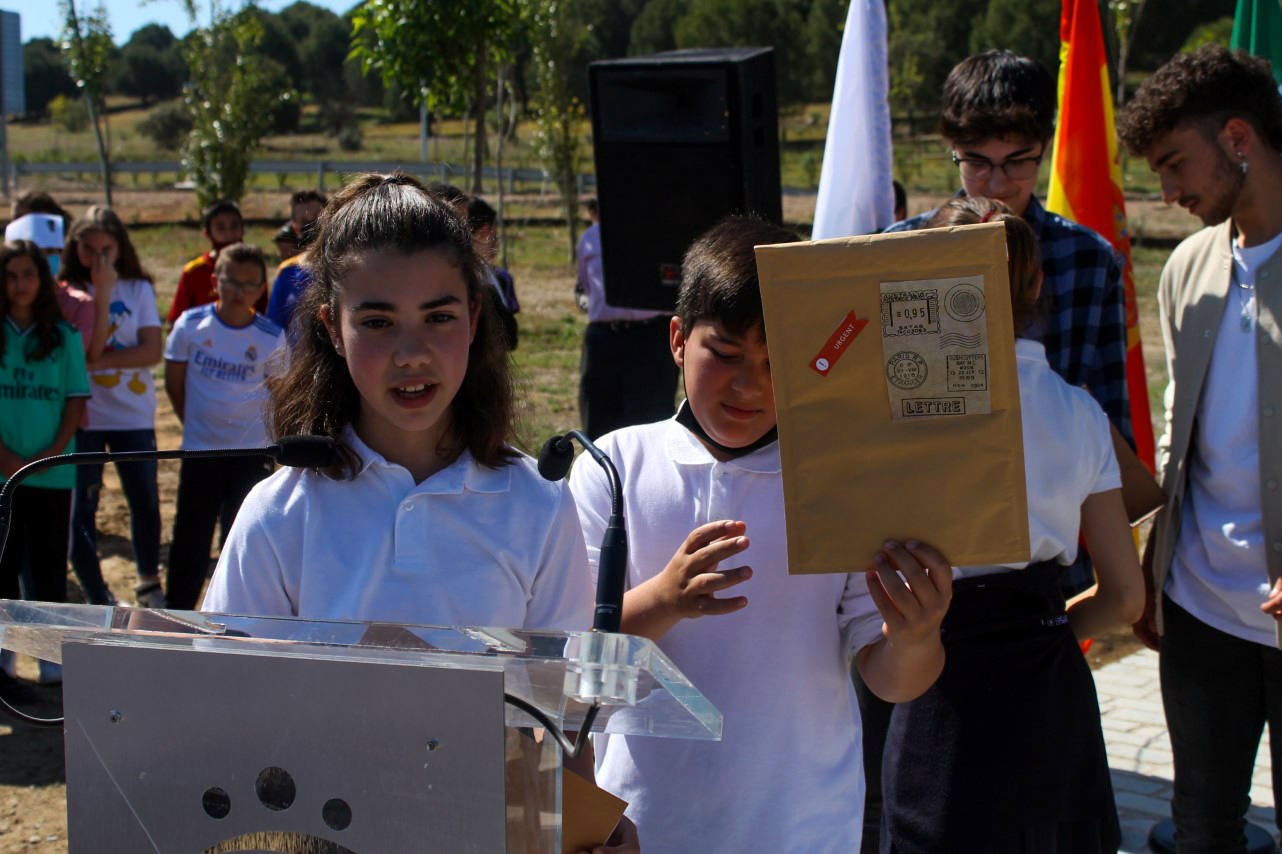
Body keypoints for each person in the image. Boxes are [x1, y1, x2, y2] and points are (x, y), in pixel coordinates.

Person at [201, 174, 637, 854]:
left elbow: (561, 716)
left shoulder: (537, 504)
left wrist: (579, 828)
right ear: (332, 329)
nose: (412, 352)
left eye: (439, 317)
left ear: (475, 315)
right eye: (376, 322)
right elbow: (228, 714)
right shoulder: (280, 513)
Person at [568, 216, 952, 853]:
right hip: (641, 824)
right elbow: (565, 655)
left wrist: (916, 632)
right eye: (725, 355)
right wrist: (663, 599)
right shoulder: (612, 469)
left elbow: (893, 678)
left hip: (801, 824)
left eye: (781, 362)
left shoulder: (841, 480)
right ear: (676, 340)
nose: (751, 385)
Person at [874, 196, 1144, 853]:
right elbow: (1126, 596)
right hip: (1050, 689)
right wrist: (1046, 630)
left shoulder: (893, 414)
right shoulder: (1079, 413)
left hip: (937, 686)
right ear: (1037, 286)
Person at [1118, 45, 1282, 851]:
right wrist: (1153, 567)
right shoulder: (1185, 267)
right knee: (1202, 828)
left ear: (1241, 138)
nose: (1169, 192)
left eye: (1176, 164)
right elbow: (1182, 438)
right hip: (1199, 611)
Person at [163, 243, 285, 610]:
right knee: (190, 539)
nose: (238, 292)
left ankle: (235, 620)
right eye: (230, 281)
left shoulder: (269, 336)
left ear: (261, 289)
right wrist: (196, 426)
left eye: (249, 285)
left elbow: (280, 395)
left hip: (250, 455)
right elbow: (174, 382)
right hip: (201, 451)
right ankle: (176, 615)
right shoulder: (190, 325)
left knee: (240, 539)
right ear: (216, 280)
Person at [62, 206, 165, 608]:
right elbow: (88, 347)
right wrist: (101, 292)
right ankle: (95, 592)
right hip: (84, 415)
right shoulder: (67, 290)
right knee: (83, 506)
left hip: (131, 413)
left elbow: (151, 350)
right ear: (76, 249)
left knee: (144, 499)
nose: (100, 258)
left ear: (121, 247)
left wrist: (98, 362)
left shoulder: (138, 288)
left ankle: (148, 581)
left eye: (108, 248)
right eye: (90, 249)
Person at [0, 240, 91, 684]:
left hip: (51, 472)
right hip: (2, 473)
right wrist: (7, 458)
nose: (20, 285)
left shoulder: (64, 336)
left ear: (43, 280)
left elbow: (75, 400)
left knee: (48, 565)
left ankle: (52, 659)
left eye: (28, 275)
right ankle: (6, 660)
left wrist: (49, 453)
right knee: (4, 564)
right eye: (11, 275)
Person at [576, 196, 678, 439]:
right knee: (599, 421)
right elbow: (586, 286)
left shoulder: (661, 232)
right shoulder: (590, 238)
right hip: (604, 339)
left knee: (652, 424)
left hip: (651, 338)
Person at [166, 200, 265, 325]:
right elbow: (175, 321)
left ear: (243, 229)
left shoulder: (254, 269)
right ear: (208, 233)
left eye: (234, 226)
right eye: (220, 227)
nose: (229, 234)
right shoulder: (194, 271)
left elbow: (264, 315)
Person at [265, 190, 328, 331]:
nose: (312, 227)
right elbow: (273, 327)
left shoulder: (343, 267)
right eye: (304, 222)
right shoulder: (287, 271)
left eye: (316, 219)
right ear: (294, 227)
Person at [467, 196, 520, 350]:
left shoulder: (488, 271)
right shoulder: (478, 273)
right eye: (495, 234)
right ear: (485, 232)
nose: (496, 241)